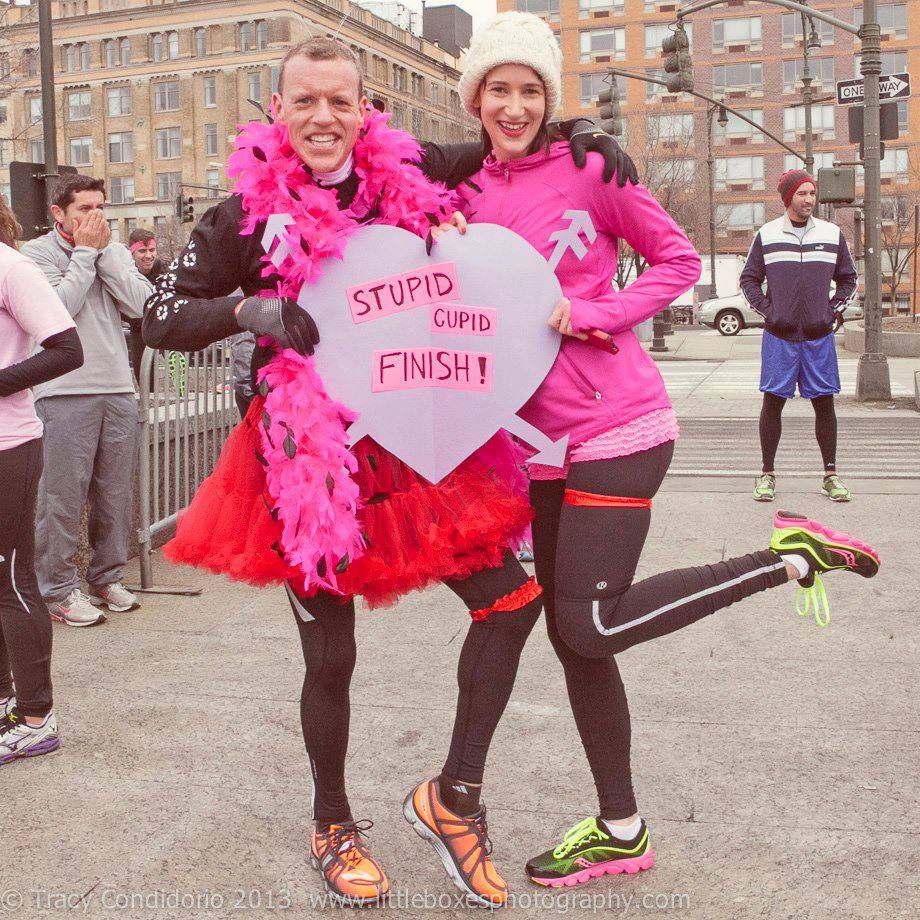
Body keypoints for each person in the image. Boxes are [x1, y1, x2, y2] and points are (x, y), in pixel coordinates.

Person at [141, 37, 634, 908]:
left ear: (367, 110)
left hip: (416, 444)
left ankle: (454, 797)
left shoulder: (409, 172)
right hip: (305, 462)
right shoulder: (237, 220)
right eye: (306, 103)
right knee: (330, 655)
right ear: (278, 113)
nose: (324, 119)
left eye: (341, 102)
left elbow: (504, 132)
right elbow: (158, 315)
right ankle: (333, 823)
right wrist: (244, 307)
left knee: (511, 602)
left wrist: (584, 132)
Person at [401, 12, 881, 900]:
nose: (513, 106)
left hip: (616, 425)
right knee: (578, 644)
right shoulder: (458, 192)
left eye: (532, 90)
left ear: (552, 100)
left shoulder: (593, 169)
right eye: (497, 90)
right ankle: (621, 828)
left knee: (589, 624)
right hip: (533, 449)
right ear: (474, 100)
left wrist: (594, 313)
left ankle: (786, 556)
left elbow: (672, 261)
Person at [21, 175, 154, 626]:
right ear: (59, 213)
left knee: (114, 495)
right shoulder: (35, 255)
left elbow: (142, 307)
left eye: (102, 208)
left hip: (118, 387)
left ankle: (106, 576)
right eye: (85, 210)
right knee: (61, 497)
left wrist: (105, 256)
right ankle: (56, 588)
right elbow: (54, 314)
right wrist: (83, 254)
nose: (96, 218)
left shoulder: (113, 250)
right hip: (64, 391)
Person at [0, 196, 84, 765]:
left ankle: (36, 716)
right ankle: (7, 702)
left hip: (8, 445)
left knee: (10, 576)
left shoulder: (11, 268)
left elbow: (67, 349)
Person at [741, 170, 858, 503]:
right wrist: (770, 312)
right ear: (788, 197)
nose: (809, 199)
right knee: (772, 403)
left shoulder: (832, 234)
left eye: (812, 193)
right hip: (780, 336)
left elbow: (849, 280)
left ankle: (830, 476)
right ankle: (767, 474)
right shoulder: (767, 234)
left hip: (818, 338)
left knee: (824, 405)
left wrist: (831, 312)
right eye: (803, 193)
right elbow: (748, 280)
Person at [126, 228, 165, 383]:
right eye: (142, 251)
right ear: (132, 253)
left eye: (152, 250)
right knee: (143, 376)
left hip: (164, 324)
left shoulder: (163, 270)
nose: (148, 256)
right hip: (139, 327)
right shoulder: (127, 272)